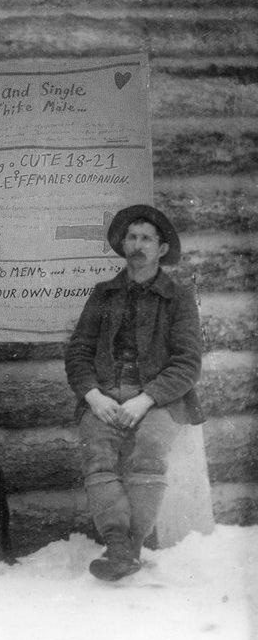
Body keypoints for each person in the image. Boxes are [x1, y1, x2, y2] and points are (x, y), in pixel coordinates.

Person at [65, 204, 203, 581]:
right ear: (123, 245)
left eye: (146, 239)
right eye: (132, 238)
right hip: (106, 394)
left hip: (158, 398)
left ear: (161, 249)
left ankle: (130, 547)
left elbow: (187, 363)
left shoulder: (178, 297)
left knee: (149, 451)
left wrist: (146, 399)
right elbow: (78, 351)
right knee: (97, 454)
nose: (138, 245)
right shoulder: (103, 294)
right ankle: (117, 545)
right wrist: (93, 396)